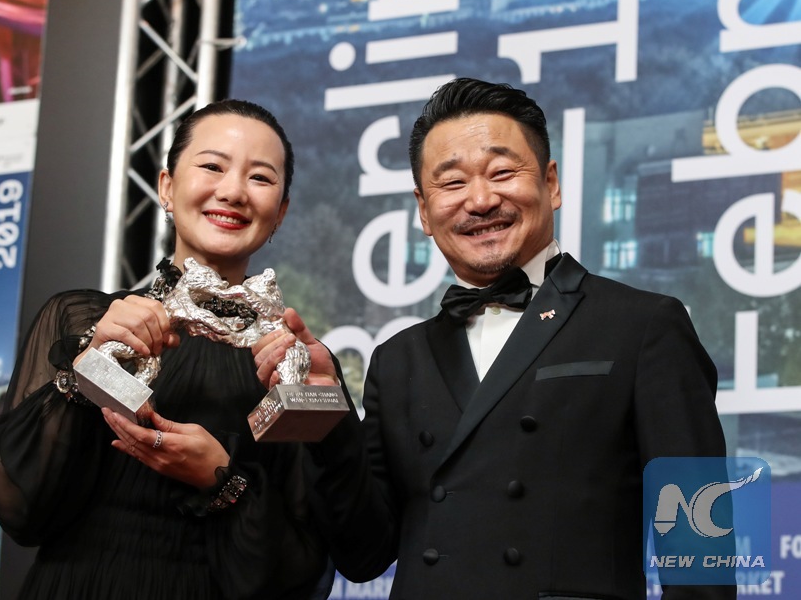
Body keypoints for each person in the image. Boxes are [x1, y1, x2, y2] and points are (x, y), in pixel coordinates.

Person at [253, 78, 735, 599]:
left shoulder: (644, 326)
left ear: (551, 183)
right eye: (452, 183)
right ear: (423, 210)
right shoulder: (398, 360)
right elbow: (363, 554)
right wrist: (325, 412)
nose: (480, 200)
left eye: (502, 173)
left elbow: (700, 555)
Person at [0, 100, 332, 599]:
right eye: (212, 166)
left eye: (260, 178)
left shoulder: (289, 361)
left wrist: (222, 482)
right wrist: (87, 367)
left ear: (281, 213)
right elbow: (17, 508)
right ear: (167, 187)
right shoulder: (80, 319)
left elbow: (302, 568)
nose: (232, 191)